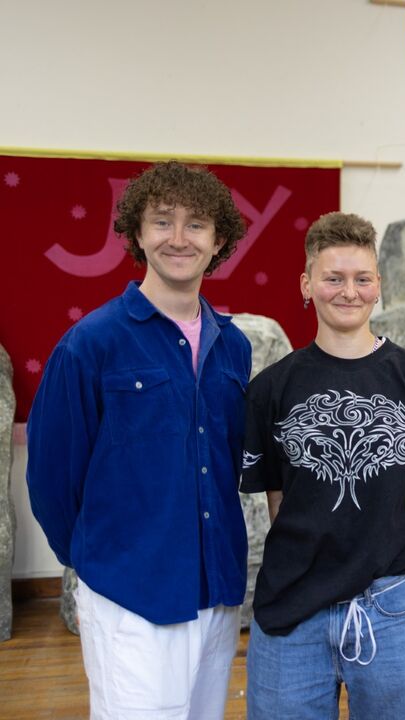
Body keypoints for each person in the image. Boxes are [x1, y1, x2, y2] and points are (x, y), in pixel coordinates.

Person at [27, 161, 251, 719]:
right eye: (162, 221)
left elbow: (227, 465)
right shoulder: (90, 343)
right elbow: (53, 478)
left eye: (196, 224)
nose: (178, 238)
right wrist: (97, 566)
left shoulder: (234, 346)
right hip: (129, 594)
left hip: (216, 591)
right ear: (137, 234)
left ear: (218, 239)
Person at [240, 211, 405, 719]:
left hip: (391, 604)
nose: (348, 291)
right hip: (292, 607)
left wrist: (378, 541)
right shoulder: (270, 389)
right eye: (333, 278)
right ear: (306, 284)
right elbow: (277, 497)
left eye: (362, 279)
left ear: (379, 286)